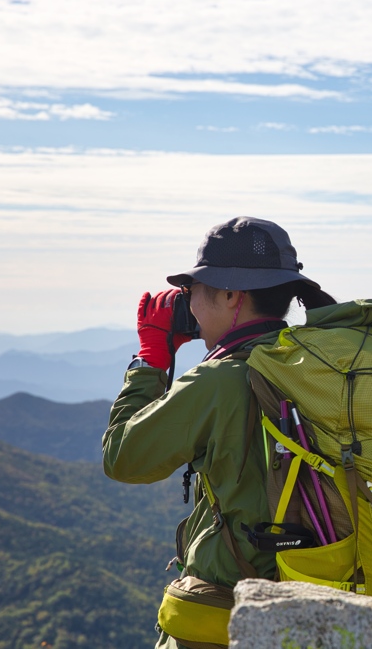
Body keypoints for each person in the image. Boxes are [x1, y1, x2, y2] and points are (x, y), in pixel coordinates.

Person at [103, 216, 335, 649]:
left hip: (229, 617)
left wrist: (151, 361)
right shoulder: (315, 366)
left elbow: (123, 459)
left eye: (192, 292)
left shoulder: (219, 380)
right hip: (317, 596)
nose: (188, 305)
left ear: (232, 295)